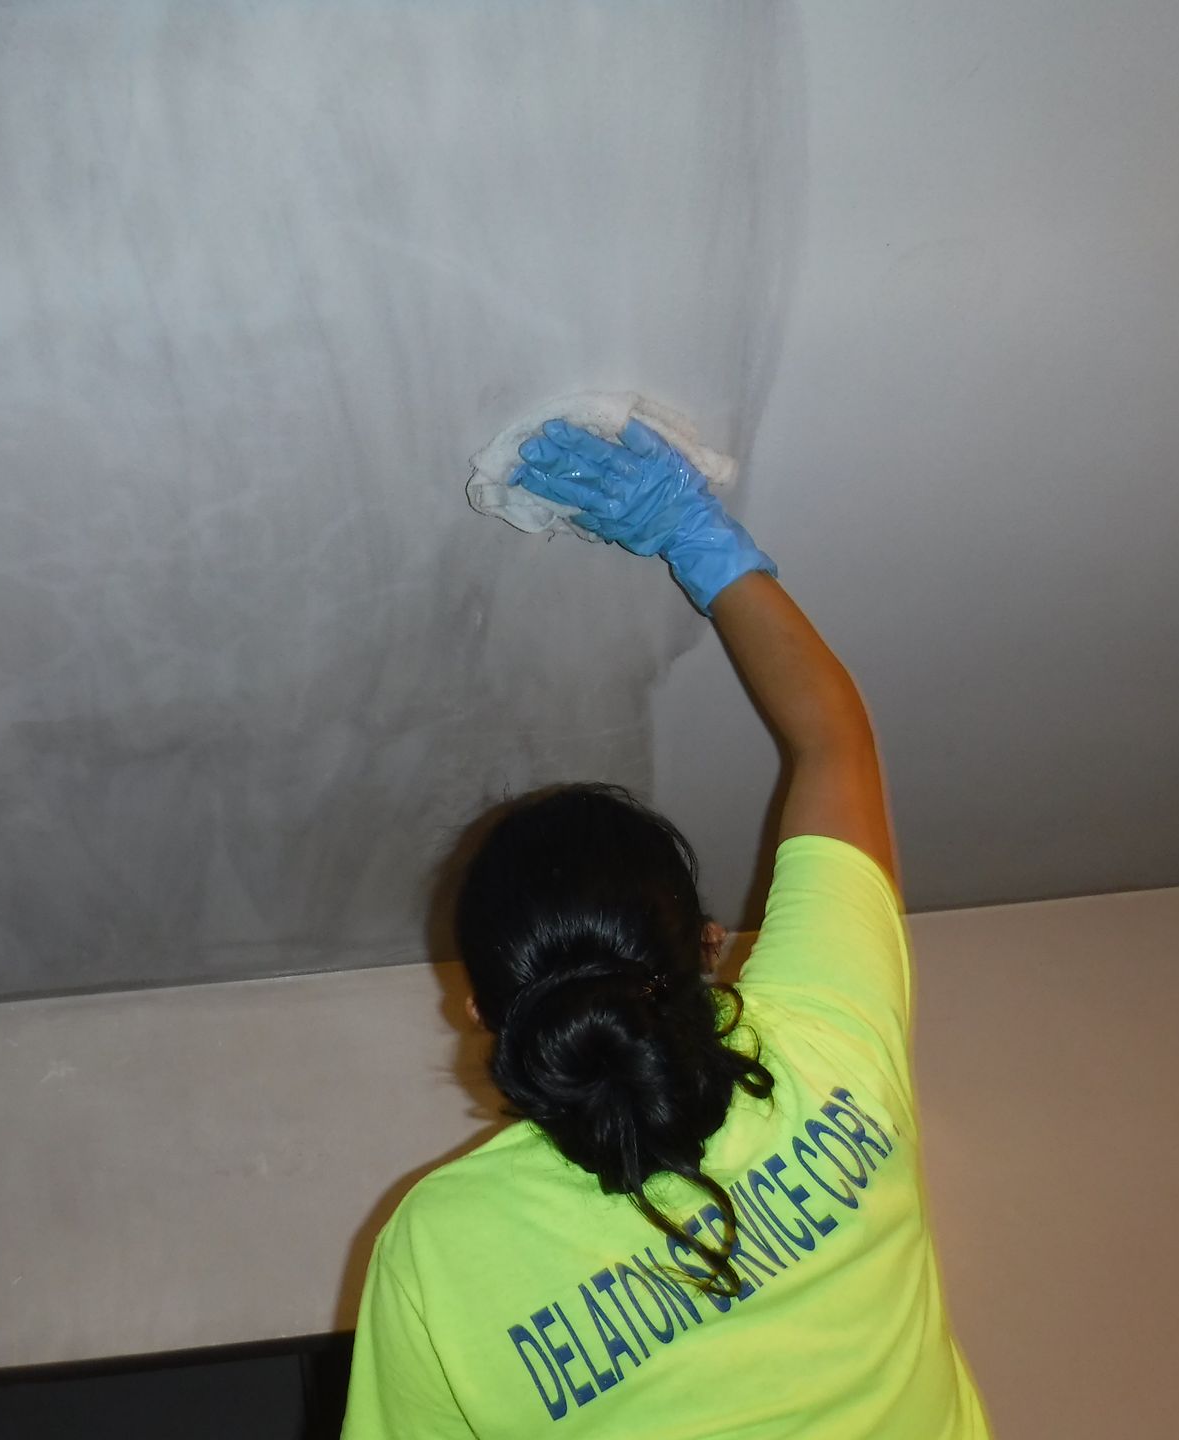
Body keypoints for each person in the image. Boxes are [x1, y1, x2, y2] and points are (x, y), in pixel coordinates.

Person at [339, 419, 992, 1438]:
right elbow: (834, 741)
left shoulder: (435, 1249)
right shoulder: (826, 1045)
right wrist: (691, 533)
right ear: (709, 946)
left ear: (479, 1013)